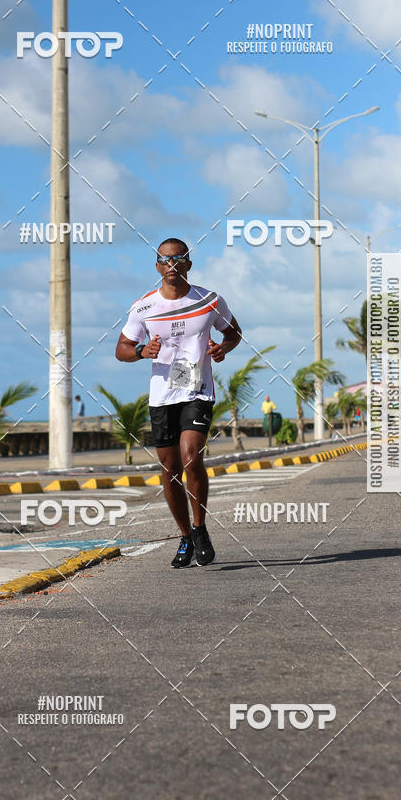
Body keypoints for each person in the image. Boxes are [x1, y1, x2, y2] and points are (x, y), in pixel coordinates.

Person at [116, 237, 242, 568]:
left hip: (197, 391)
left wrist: (222, 349)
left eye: (177, 258)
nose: (171, 264)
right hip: (162, 396)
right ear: (157, 266)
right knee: (170, 469)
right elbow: (121, 349)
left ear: (188, 263)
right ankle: (185, 535)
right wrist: (142, 351)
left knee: (190, 456)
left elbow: (234, 333)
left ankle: (200, 528)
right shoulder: (143, 307)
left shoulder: (209, 300)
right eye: (164, 259)